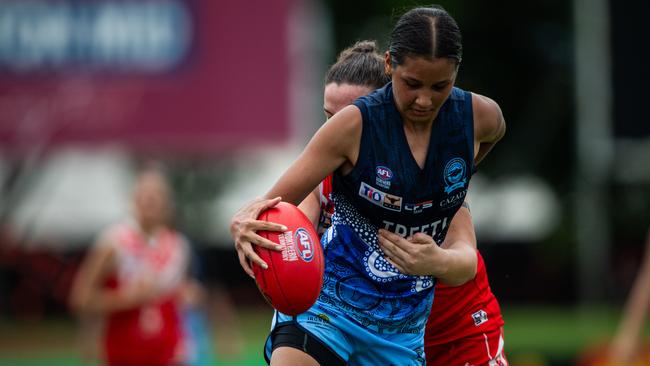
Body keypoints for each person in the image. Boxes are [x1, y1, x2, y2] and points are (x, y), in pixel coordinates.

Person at [230, 5, 506, 365]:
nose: (424, 100)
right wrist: (243, 224)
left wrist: (436, 259)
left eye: (439, 86)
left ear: (456, 72)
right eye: (412, 85)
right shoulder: (351, 130)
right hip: (327, 313)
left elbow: (465, 261)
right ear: (391, 66)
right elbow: (271, 208)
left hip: (401, 333)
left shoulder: (479, 120)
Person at [301, 40, 508, 365]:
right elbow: (293, 232)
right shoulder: (320, 178)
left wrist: (436, 261)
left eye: (352, 118)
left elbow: (465, 263)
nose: (337, 131)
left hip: (455, 334)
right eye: (329, 118)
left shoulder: (430, 177)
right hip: (380, 338)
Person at [70, 165, 191, 366]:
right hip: (124, 352)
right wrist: (127, 298)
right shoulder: (113, 242)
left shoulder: (178, 246)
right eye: (145, 194)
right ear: (133, 199)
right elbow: (81, 299)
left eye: (157, 195)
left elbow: (175, 301)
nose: (151, 201)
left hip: (167, 352)